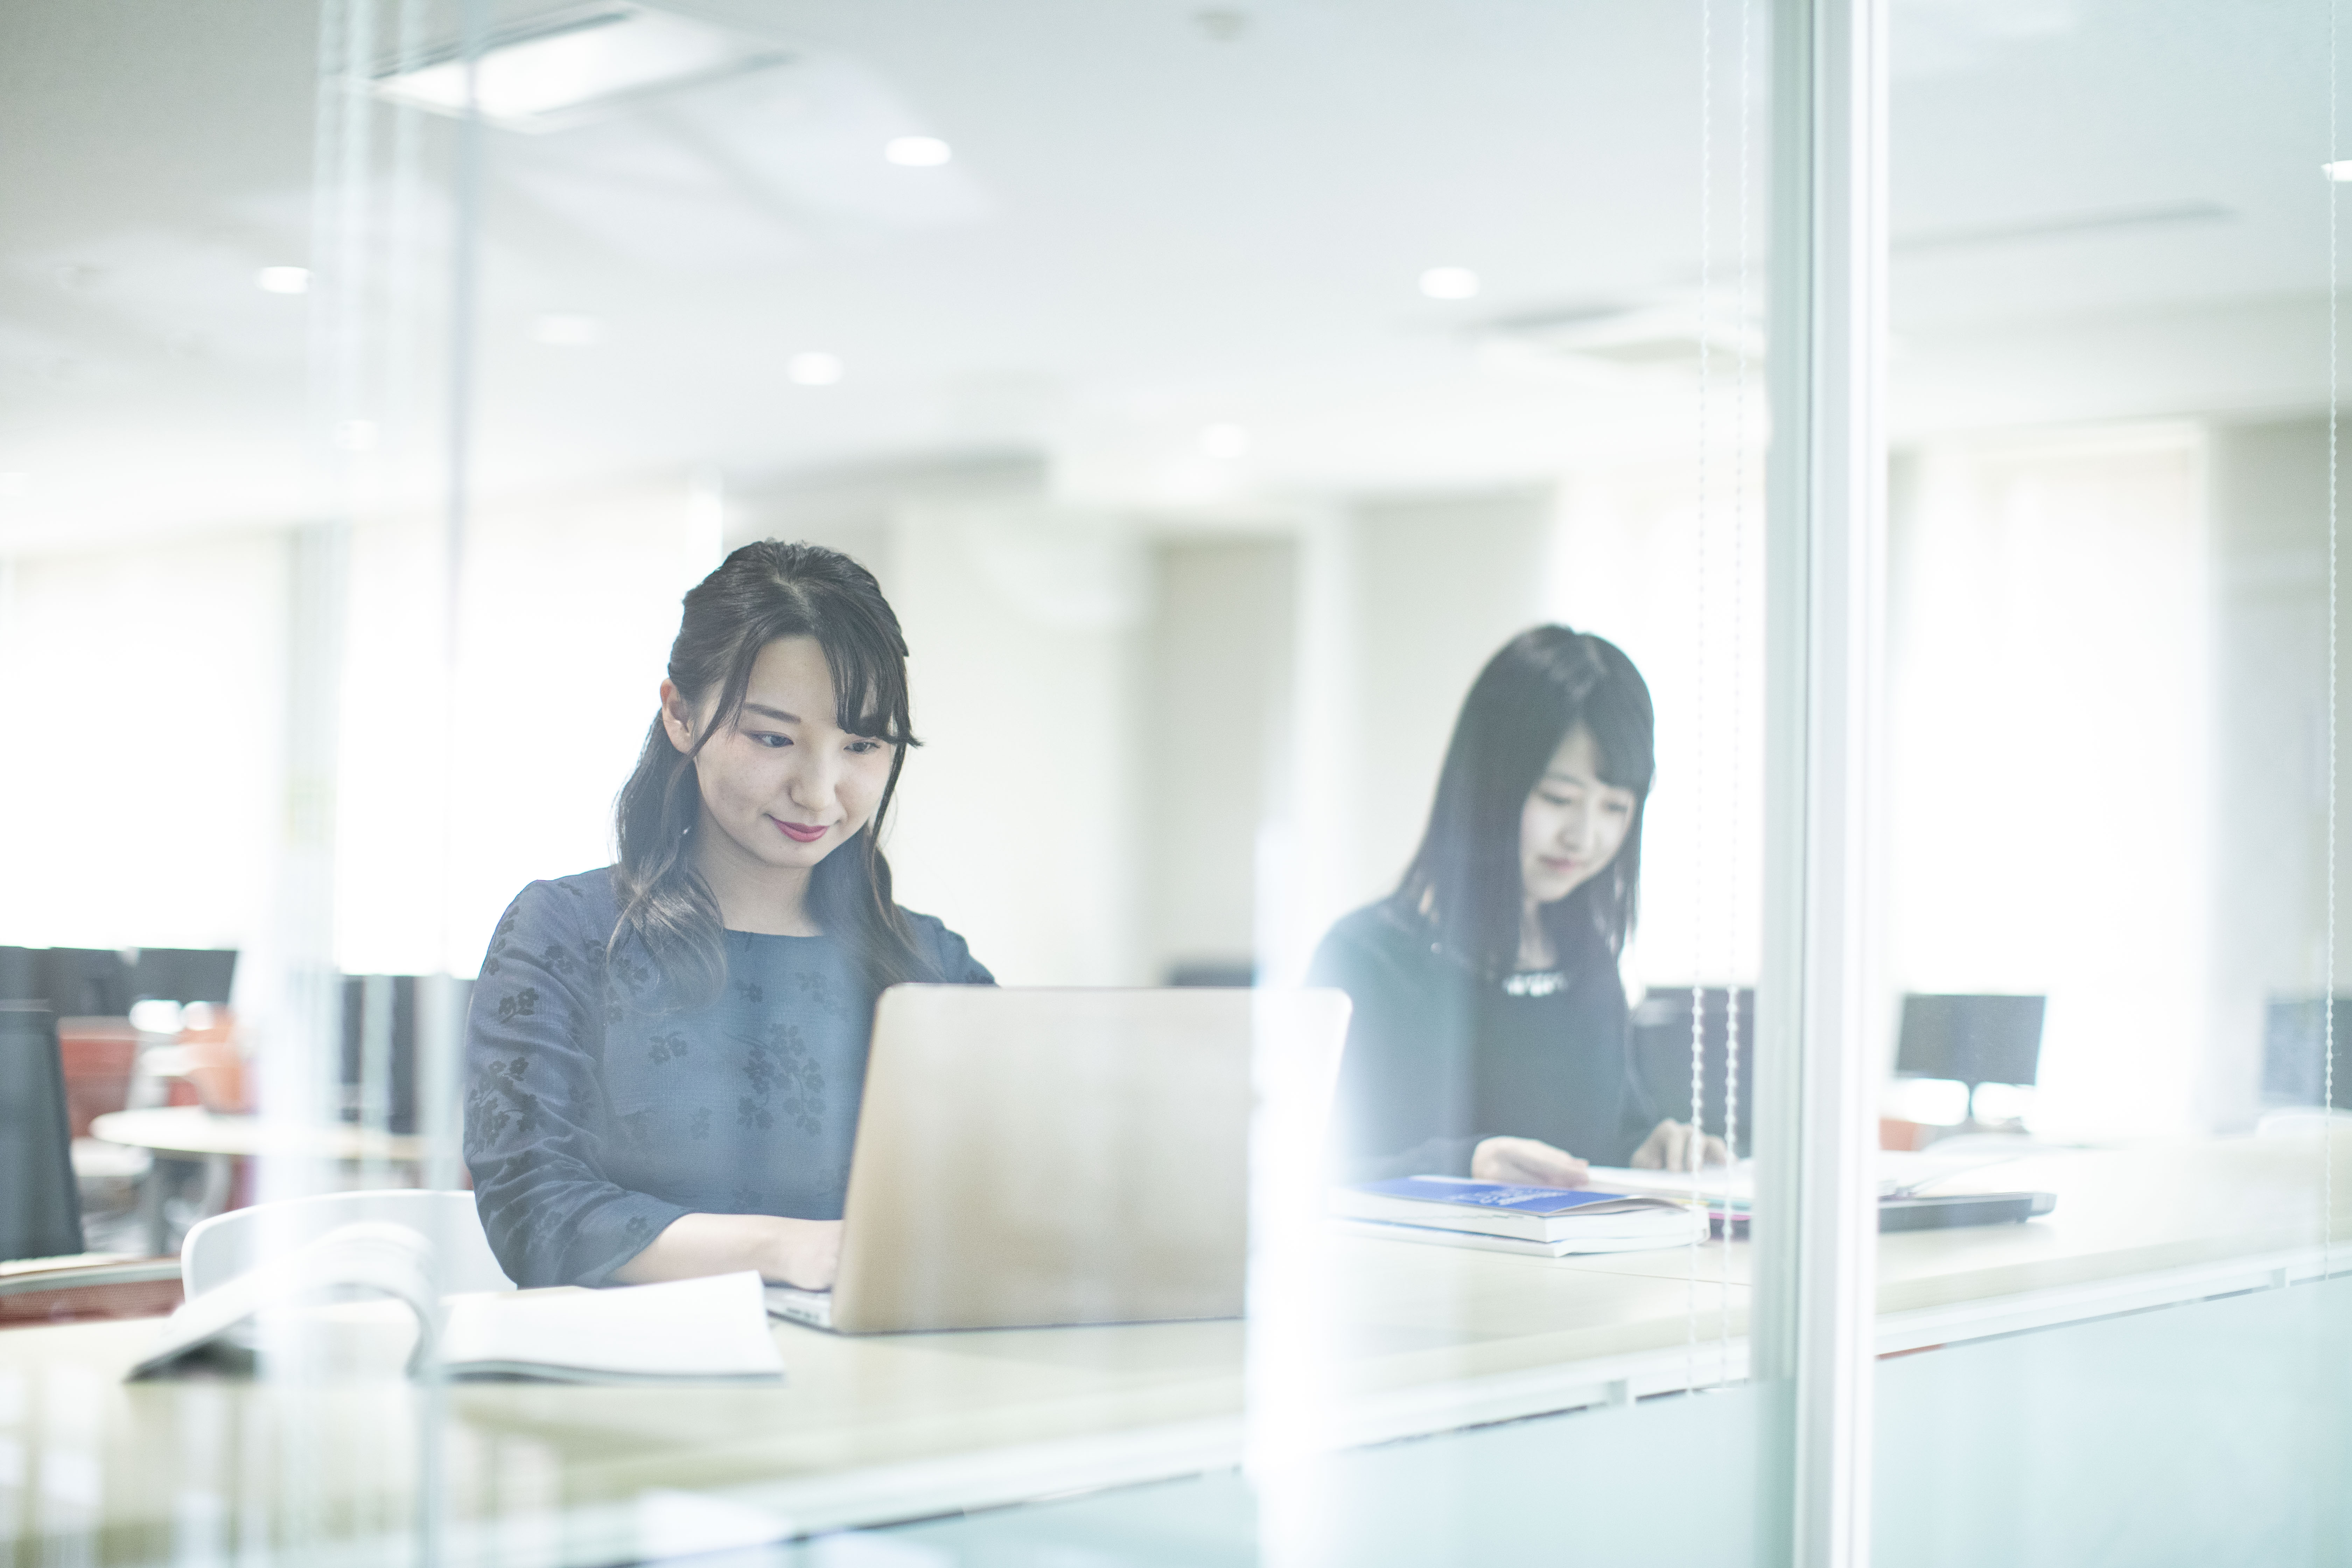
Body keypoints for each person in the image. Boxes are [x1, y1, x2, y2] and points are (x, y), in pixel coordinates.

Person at [464, 541, 992, 1292]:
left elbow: (1009, 1194)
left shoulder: (934, 966)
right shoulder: (567, 932)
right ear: (681, 715)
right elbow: (534, 1209)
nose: (818, 791)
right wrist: (782, 1250)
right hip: (633, 1380)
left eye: (863, 745)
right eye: (773, 738)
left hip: (879, 1382)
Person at [1309, 624, 1724, 1188]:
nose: (1585, 836)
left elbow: (1610, 1135)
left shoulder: (1588, 963)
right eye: (1559, 799)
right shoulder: (1368, 960)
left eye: (1615, 808)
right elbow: (1307, 1174)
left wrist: (1652, 1147)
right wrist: (1464, 1166)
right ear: (1488, 787)